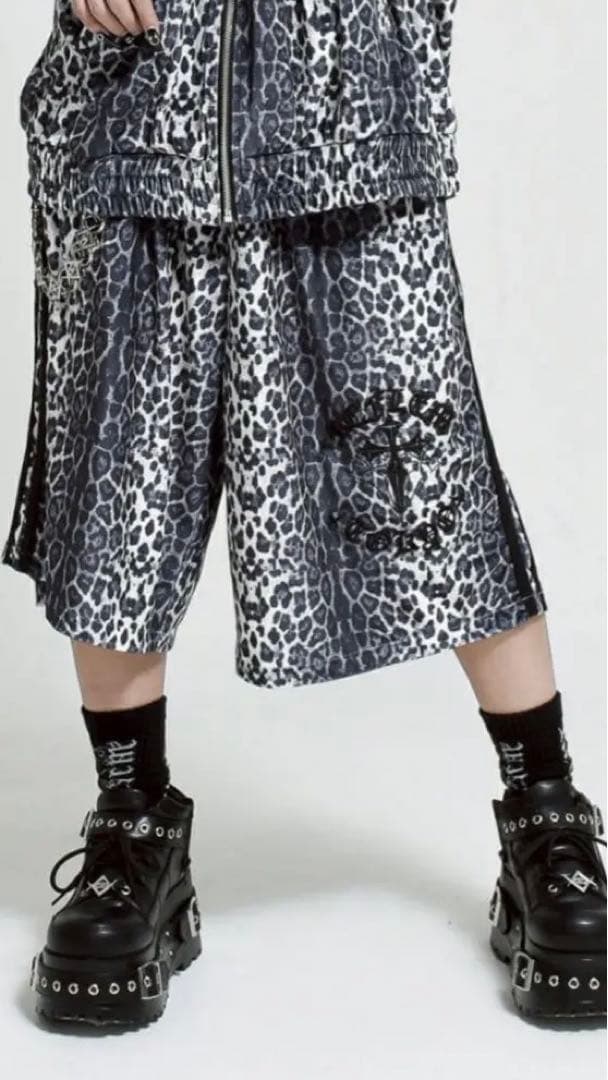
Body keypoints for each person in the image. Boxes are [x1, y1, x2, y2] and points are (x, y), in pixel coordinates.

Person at [3, 0, 605, 1028]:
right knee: (120, 492)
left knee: (433, 485)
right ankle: (131, 820)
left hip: (348, 112)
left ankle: (545, 815)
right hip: (142, 112)